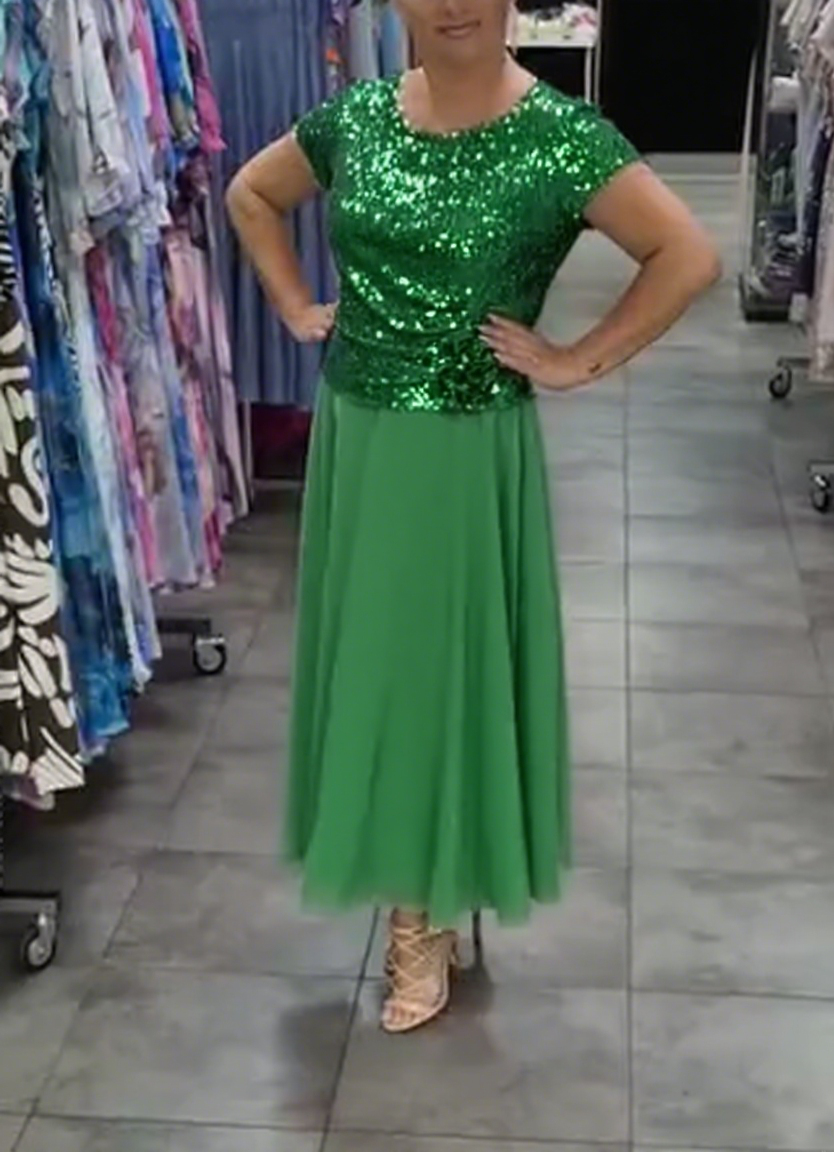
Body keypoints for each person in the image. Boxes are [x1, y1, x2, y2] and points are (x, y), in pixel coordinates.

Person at [226, 0, 720, 1035]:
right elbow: (252, 194)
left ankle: (424, 911)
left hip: (464, 446)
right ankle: (436, 881)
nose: (453, 3)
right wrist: (295, 306)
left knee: (434, 671)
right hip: (360, 435)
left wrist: (578, 360)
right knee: (384, 663)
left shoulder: (561, 137)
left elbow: (685, 255)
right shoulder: (356, 118)